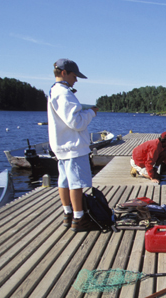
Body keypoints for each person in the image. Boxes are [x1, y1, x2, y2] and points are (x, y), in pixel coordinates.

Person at [48, 58, 98, 232]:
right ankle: (79, 218)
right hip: (73, 147)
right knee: (76, 183)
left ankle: (67, 213)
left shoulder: (54, 92)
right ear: (64, 73)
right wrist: (91, 113)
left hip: (62, 146)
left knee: (64, 182)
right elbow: (76, 123)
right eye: (74, 75)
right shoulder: (64, 94)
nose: (76, 79)